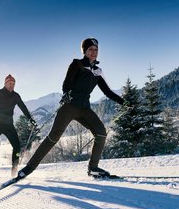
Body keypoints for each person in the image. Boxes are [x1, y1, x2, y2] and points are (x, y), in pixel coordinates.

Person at [18, 37, 125, 178]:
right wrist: (67, 93)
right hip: (69, 106)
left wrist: (124, 102)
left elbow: (107, 92)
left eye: (96, 50)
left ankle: (93, 168)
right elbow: (66, 84)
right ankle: (29, 167)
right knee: (54, 136)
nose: (94, 52)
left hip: (85, 109)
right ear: (85, 51)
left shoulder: (98, 71)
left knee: (101, 132)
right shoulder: (77, 64)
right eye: (90, 49)